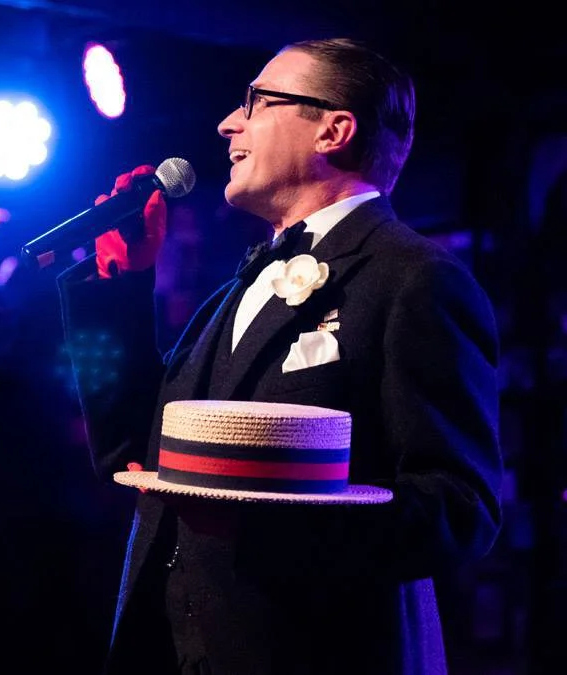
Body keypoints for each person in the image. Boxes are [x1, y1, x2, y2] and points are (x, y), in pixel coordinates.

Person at [57, 38, 503, 674]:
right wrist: (122, 289)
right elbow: (135, 448)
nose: (228, 123)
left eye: (258, 102)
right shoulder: (235, 290)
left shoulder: (414, 277)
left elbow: (460, 508)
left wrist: (267, 530)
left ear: (334, 130)